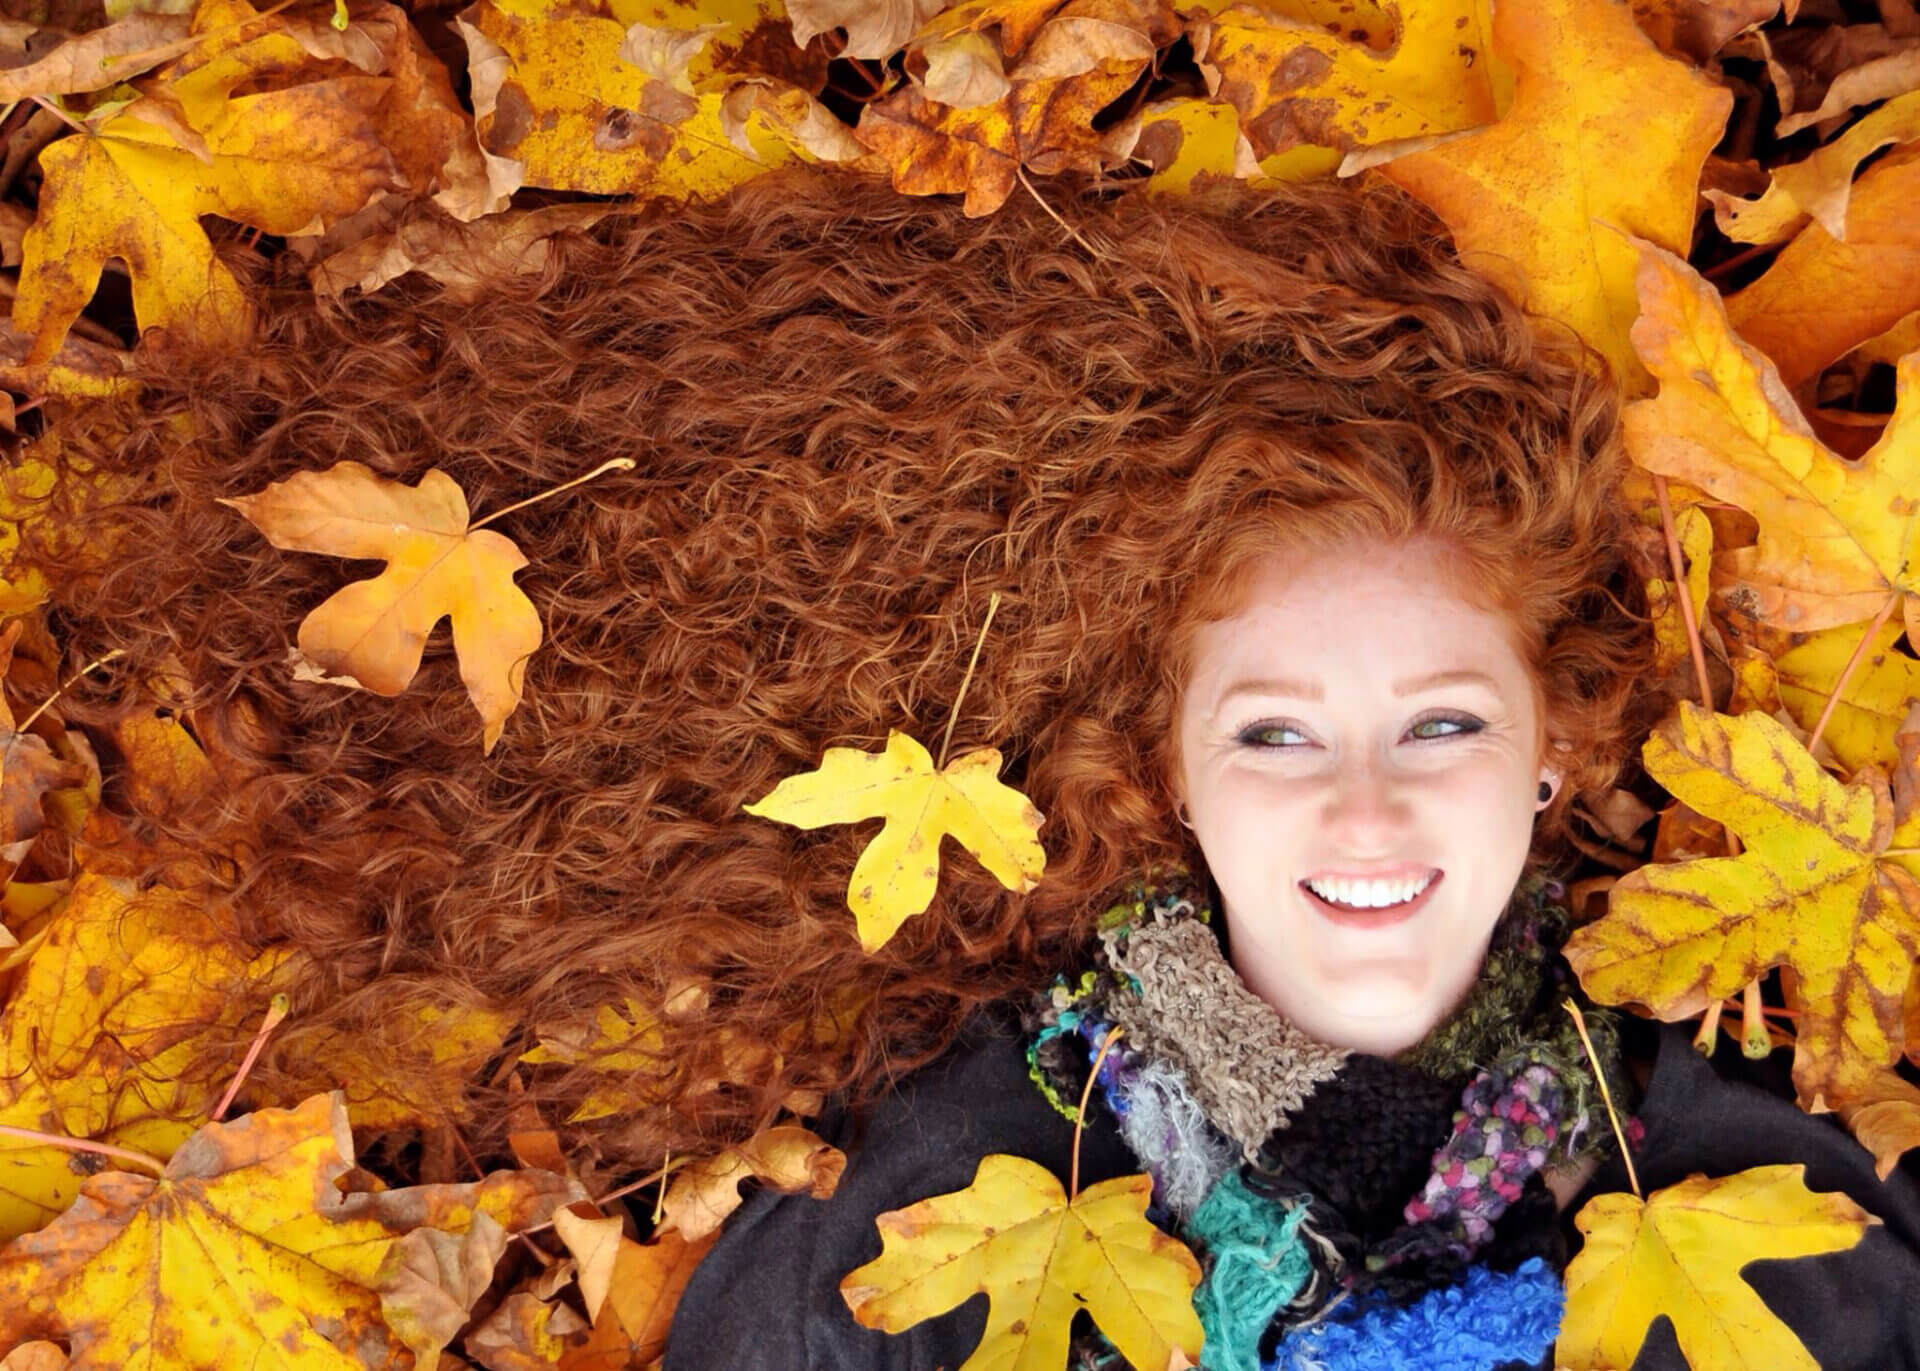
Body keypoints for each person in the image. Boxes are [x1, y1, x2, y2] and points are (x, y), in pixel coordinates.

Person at [22, 168, 1920, 1370]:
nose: (1366, 811)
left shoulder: (1804, 1218)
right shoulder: (900, 1224)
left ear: (1551, 756)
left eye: (1443, 721)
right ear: (1162, 773)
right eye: (1275, 731)